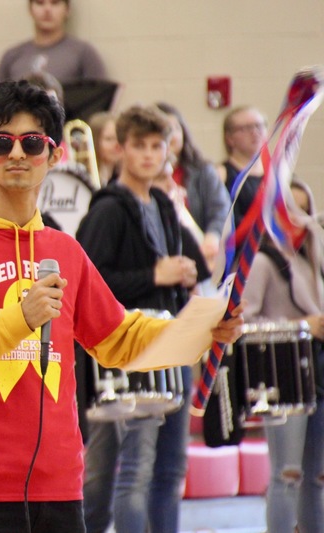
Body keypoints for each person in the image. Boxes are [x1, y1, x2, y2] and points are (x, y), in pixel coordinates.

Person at [0, 80, 243, 533]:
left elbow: (118, 338)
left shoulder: (65, 250)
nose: (17, 155)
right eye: (2, 143)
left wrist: (201, 332)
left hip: (61, 489)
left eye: (33, 143)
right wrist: (17, 320)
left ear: (56, 154)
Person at [77, 105, 199, 533]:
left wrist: (185, 274)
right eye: (139, 146)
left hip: (170, 345)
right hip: (129, 351)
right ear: (120, 150)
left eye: (157, 146)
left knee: (169, 469)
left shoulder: (164, 205)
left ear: (168, 151)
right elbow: (87, 282)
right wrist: (153, 274)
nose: (149, 155)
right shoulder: (108, 210)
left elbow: (190, 263)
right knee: (130, 471)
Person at [241, 179, 324, 533]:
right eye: (290, 212)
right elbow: (244, 322)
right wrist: (300, 325)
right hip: (284, 374)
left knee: (316, 477)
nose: (300, 221)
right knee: (287, 474)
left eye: (304, 212)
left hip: (317, 373)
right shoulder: (262, 261)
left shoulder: (314, 262)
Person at [157, 101, 229, 270]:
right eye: (164, 130)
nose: (170, 136)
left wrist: (213, 236)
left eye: (175, 128)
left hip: (202, 254)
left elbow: (220, 209)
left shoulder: (203, 170)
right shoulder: (146, 176)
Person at [0, 0, 106, 84]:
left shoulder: (83, 53)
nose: (47, 9)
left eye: (55, 3)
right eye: (40, 3)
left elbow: (98, 100)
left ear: (67, 9)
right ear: (30, 9)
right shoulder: (11, 56)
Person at [216, 105, 269, 228]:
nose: (255, 132)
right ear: (229, 138)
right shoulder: (221, 174)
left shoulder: (276, 174)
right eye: (245, 128)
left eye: (259, 126)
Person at [88, 111, 120, 186]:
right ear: (94, 141)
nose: (117, 145)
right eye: (109, 139)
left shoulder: (119, 178)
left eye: (119, 138)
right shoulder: (86, 176)